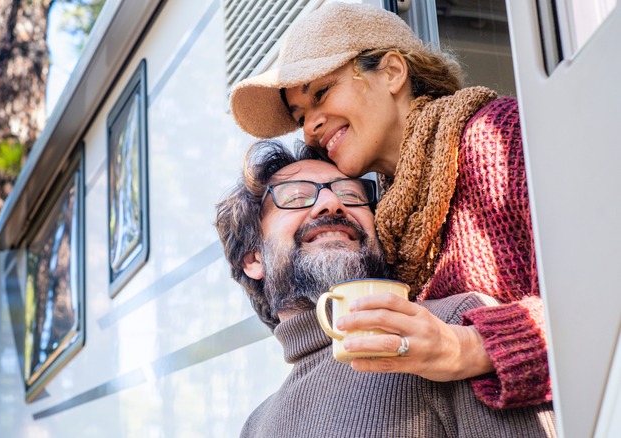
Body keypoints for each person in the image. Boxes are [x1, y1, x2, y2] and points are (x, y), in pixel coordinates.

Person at [228, 2, 547, 409]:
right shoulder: (387, 225)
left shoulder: (499, 138)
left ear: (393, 72)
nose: (308, 128)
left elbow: (598, 298)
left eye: (321, 93)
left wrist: (464, 348)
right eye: (300, 115)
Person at [214, 139, 555, 437]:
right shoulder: (255, 426)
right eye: (297, 196)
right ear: (252, 259)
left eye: (351, 194)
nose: (332, 204)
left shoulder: (454, 327)